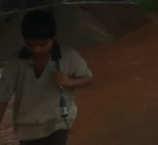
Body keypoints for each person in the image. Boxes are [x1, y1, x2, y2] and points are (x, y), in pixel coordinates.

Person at [0, 9, 93, 145]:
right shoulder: (15, 63)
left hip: (57, 121)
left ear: (53, 38)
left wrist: (69, 82)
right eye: (30, 45)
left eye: (42, 44)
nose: (36, 49)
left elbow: (88, 78)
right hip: (27, 127)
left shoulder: (68, 56)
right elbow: (3, 96)